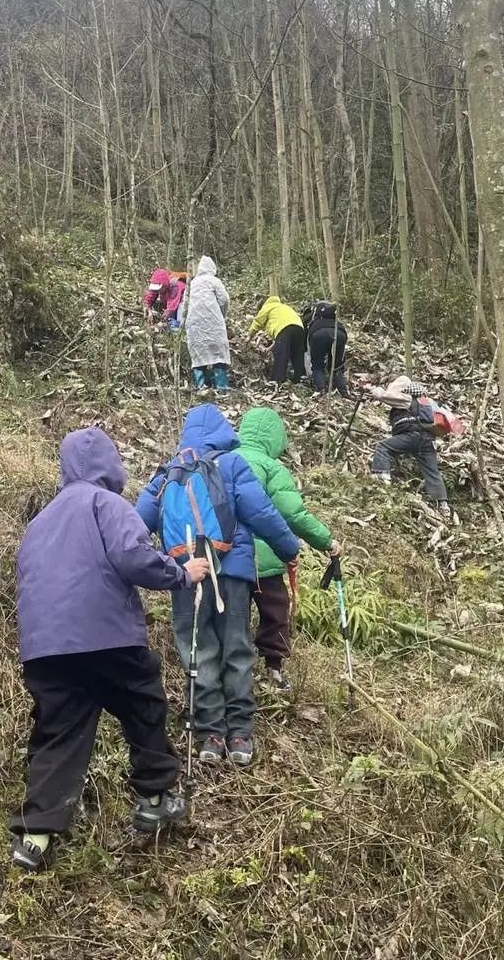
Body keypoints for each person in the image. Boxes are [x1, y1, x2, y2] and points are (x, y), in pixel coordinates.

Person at [10, 427, 210, 872]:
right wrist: (181, 573)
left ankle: (35, 839)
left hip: (45, 649)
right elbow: (132, 557)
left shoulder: (40, 521)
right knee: (143, 704)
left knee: (58, 733)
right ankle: (155, 796)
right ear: (108, 465)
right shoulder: (106, 504)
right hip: (106, 636)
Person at [136, 404, 299, 767]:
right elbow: (262, 513)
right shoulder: (232, 464)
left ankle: (210, 733)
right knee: (236, 647)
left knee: (197, 649)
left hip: (186, 573)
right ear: (225, 431)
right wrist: (289, 548)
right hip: (232, 573)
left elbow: (136, 524)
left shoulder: (169, 471)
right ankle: (240, 733)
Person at [236, 407, 341, 692]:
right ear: (276, 438)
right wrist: (326, 540)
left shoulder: (223, 460)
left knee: (234, 615)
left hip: (227, 558)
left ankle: (236, 674)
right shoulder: (272, 468)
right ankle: (273, 671)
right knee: (275, 611)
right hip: (267, 560)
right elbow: (293, 515)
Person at [366, 376, 451, 516]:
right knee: (432, 472)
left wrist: (371, 388)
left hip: (412, 436)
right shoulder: (425, 400)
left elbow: (383, 396)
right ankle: (443, 505)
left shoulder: (407, 397)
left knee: (383, 447)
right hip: (428, 440)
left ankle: (383, 481)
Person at [183, 256, 231, 390]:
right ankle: (221, 387)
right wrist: (221, 315)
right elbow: (224, 300)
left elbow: (184, 305)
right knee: (218, 355)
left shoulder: (191, 284)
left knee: (198, 355)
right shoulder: (214, 281)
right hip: (213, 323)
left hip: (193, 325)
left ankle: (201, 386)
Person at [249, 295, 306, 384]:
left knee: (281, 355)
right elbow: (280, 340)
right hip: (299, 328)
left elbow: (257, 322)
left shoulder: (267, 307)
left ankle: (277, 380)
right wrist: (269, 349)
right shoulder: (283, 307)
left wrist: (249, 336)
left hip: (284, 329)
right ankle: (298, 379)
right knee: (297, 354)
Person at [303, 301, 348, 397]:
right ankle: (343, 390)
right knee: (336, 366)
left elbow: (307, 346)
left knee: (317, 365)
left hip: (318, 334)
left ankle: (321, 388)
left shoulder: (311, 320)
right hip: (340, 334)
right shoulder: (337, 322)